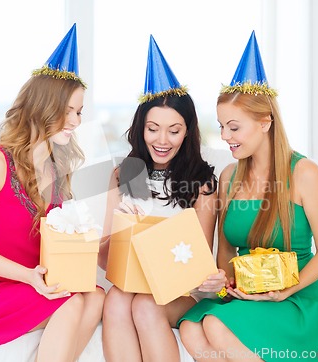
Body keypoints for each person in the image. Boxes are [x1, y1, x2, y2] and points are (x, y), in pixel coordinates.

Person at [179, 31, 318, 362]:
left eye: (234, 127)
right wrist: (228, 288)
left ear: (265, 122)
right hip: (248, 294)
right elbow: (225, 251)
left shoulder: (304, 173)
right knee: (191, 327)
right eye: (222, 126)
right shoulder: (229, 177)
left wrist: (284, 291)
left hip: (298, 295)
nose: (225, 136)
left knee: (216, 326)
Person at [0, 24, 105, 361]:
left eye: (79, 112)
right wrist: (29, 277)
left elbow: (58, 240)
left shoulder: (58, 169)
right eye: (68, 111)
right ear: (43, 107)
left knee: (98, 295)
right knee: (72, 301)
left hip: (32, 282)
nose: (75, 121)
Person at [98, 35, 227, 362]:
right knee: (115, 299)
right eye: (153, 128)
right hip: (132, 285)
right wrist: (113, 234)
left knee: (144, 304)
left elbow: (197, 264)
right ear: (141, 128)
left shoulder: (203, 184)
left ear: (188, 132)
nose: (162, 140)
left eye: (174, 130)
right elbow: (106, 260)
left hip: (181, 292)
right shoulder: (124, 175)